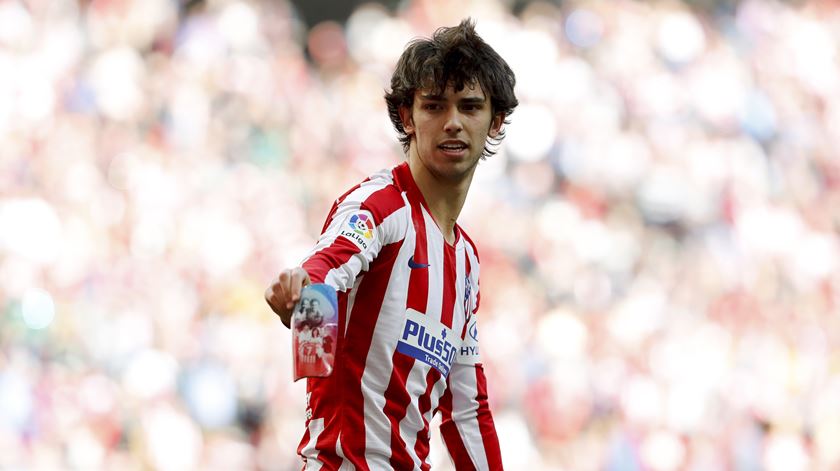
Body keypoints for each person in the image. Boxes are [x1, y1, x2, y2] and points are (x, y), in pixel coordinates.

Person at [265, 18, 517, 470]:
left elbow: (466, 409)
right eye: (435, 106)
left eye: (471, 107)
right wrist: (302, 302)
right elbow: (326, 269)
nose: (453, 123)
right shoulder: (380, 206)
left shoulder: (466, 262)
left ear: (495, 121)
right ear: (407, 117)